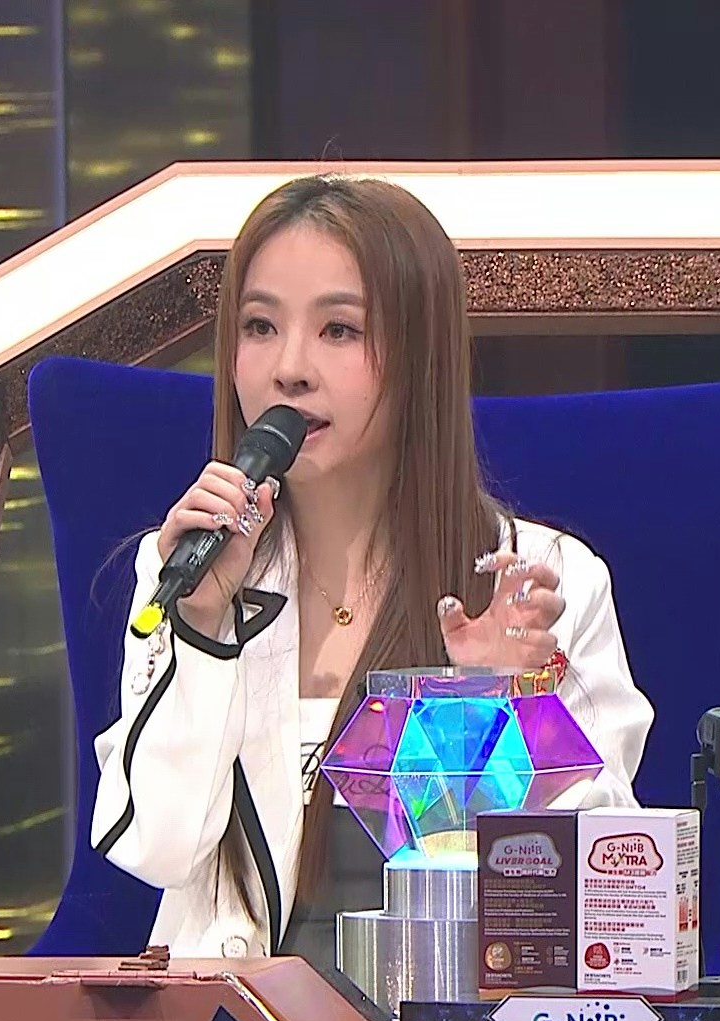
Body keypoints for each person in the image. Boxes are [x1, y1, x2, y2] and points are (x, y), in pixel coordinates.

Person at [90, 175, 653, 971]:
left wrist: (490, 706)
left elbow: (602, 899)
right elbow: (157, 847)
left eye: (340, 331)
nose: (289, 369)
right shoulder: (184, 569)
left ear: (420, 358)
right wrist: (204, 629)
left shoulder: (541, 581)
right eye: (259, 326)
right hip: (238, 1019)